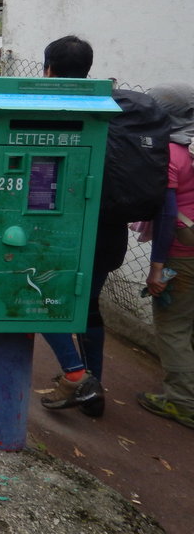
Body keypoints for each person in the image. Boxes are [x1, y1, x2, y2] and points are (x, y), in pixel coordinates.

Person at [38, 35, 118, 416]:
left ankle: (76, 375)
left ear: (49, 69)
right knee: (88, 307)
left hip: (67, 227)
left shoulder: (48, 107)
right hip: (110, 228)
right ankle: (92, 388)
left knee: (39, 297)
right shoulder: (110, 108)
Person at [139, 82, 194, 429]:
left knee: (173, 327)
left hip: (181, 254)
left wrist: (157, 268)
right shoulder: (189, 149)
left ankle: (182, 402)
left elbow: (166, 214)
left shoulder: (169, 154)